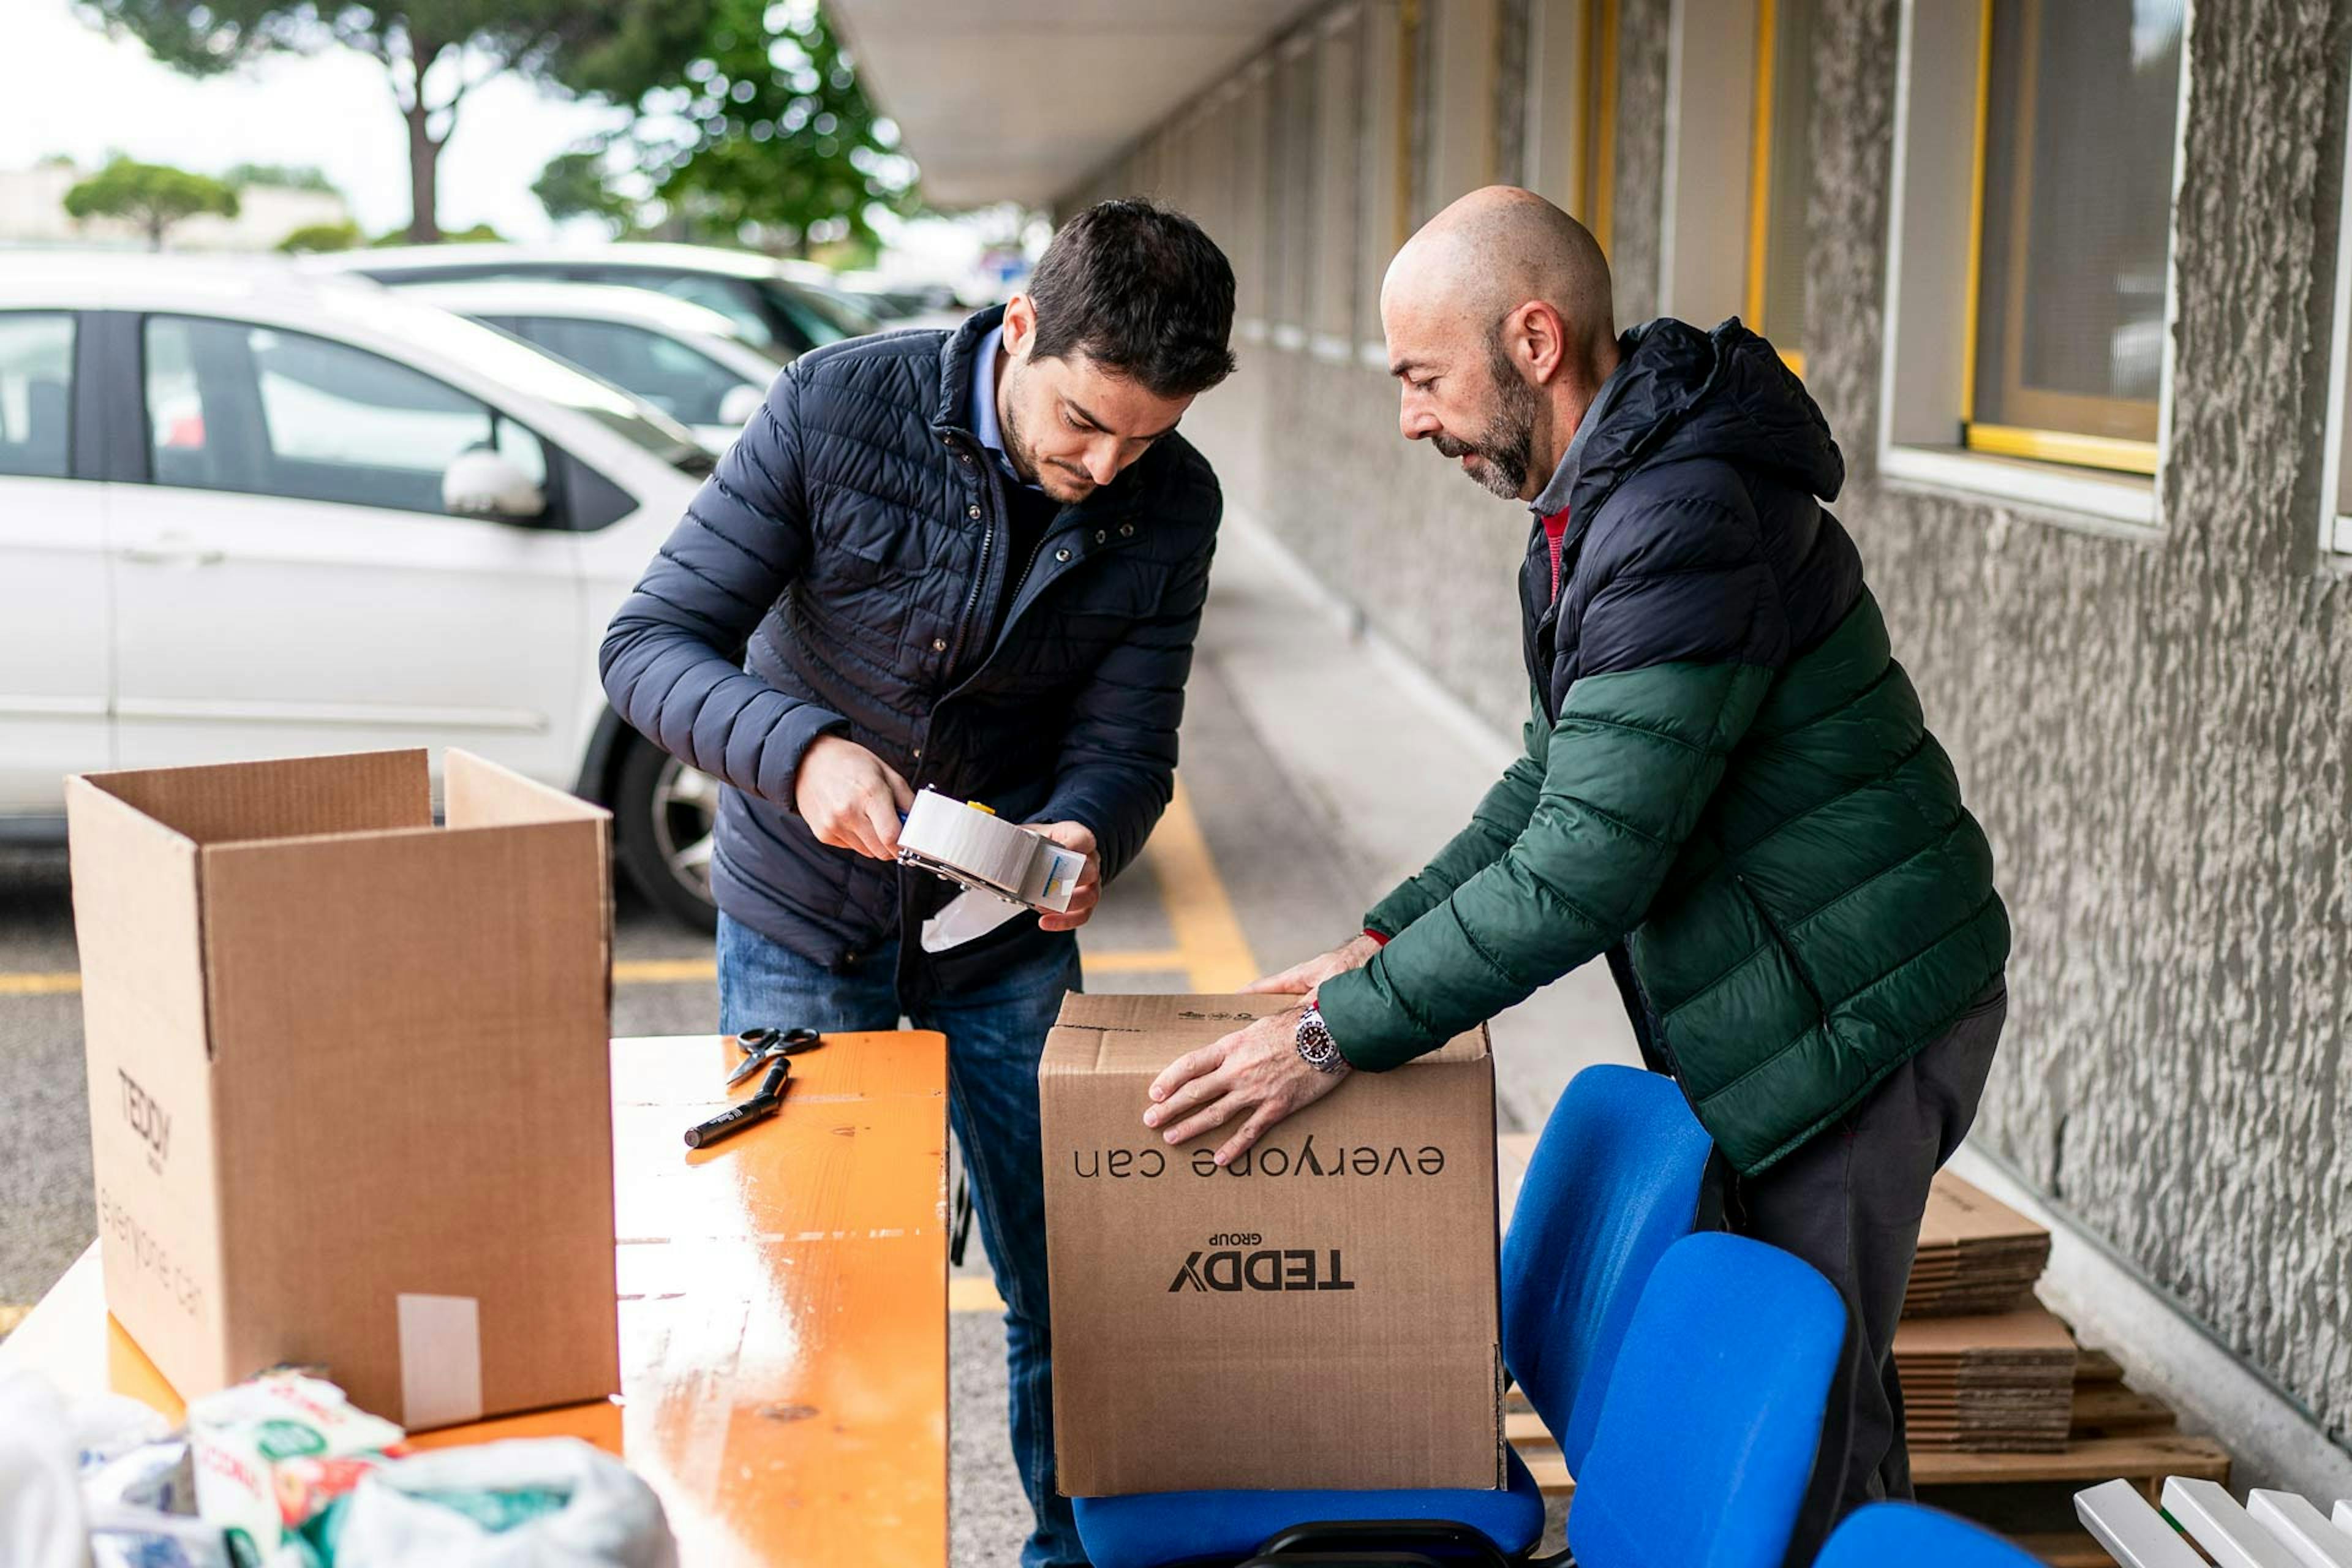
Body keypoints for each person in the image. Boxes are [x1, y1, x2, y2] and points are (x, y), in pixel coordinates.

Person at [1142, 186, 2009, 1555]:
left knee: (1788, 1425)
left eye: (1424, 377)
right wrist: (1385, 939)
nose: (1411, 418)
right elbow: (1554, 783)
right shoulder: (1600, 505)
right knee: (1796, 1393)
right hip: (1779, 983)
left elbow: (1588, 863)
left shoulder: (1681, 515)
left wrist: (1333, 1035)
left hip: (1853, 1007)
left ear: (1535, 340)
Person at [601, 198, 1237, 1568]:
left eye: (1148, 434)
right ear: (1020, 330)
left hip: (1001, 939)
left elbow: (1128, 747)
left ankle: (1071, 1554)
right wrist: (801, 748)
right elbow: (648, 644)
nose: (1109, 464)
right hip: (797, 917)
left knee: (1075, 1280)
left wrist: (1083, 839)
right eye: (1083, 421)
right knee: (810, 1289)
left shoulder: (1173, 503)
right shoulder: (836, 407)